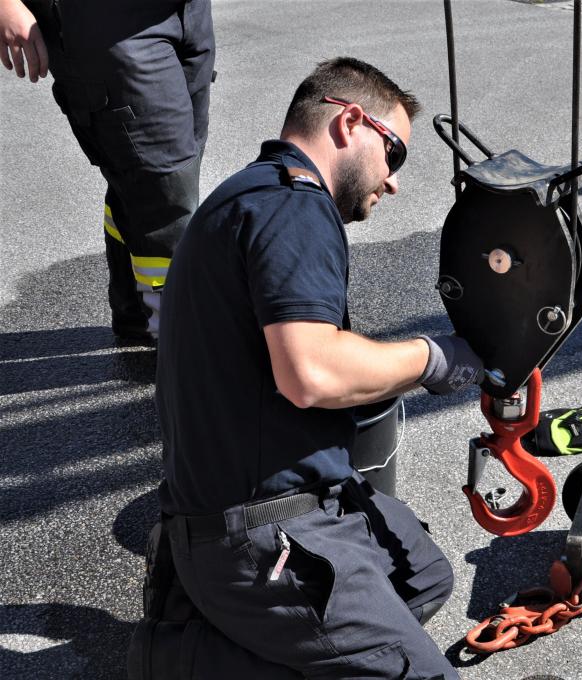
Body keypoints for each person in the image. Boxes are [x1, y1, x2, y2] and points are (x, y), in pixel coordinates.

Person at [155, 57, 479, 679]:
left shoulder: (251, 193)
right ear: (350, 122)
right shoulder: (293, 208)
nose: (393, 182)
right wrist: (433, 359)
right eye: (394, 154)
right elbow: (311, 373)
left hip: (262, 502)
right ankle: (185, 659)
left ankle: (285, 640)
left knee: (424, 575)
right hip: (257, 533)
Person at [0, 0, 214, 341]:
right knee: (166, 189)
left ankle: (139, 313)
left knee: (154, 170)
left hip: (186, 13)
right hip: (102, 19)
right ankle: (183, 344)